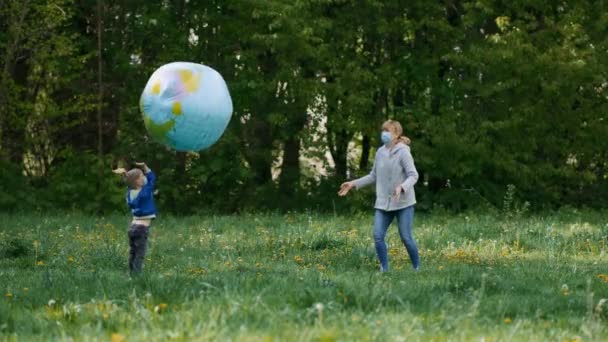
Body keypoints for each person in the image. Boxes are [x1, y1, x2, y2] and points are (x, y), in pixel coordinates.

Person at [339, 120, 420, 272]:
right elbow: (373, 176)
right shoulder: (380, 152)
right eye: (383, 130)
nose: (384, 134)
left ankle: (417, 268)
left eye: (388, 131)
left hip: (403, 203)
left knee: (406, 238)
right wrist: (353, 184)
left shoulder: (403, 152)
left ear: (397, 134)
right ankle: (384, 269)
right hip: (383, 203)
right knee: (377, 235)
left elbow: (413, 175)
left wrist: (402, 187)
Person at [112, 162, 157, 275]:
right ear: (137, 181)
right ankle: (136, 275)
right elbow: (152, 178)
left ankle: (131, 272)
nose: (144, 177)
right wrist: (145, 166)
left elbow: (131, 182)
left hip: (133, 227)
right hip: (142, 228)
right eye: (142, 176)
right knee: (140, 254)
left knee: (133, 253)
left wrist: (126, 174)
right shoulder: (145, 192)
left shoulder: (130, 192)